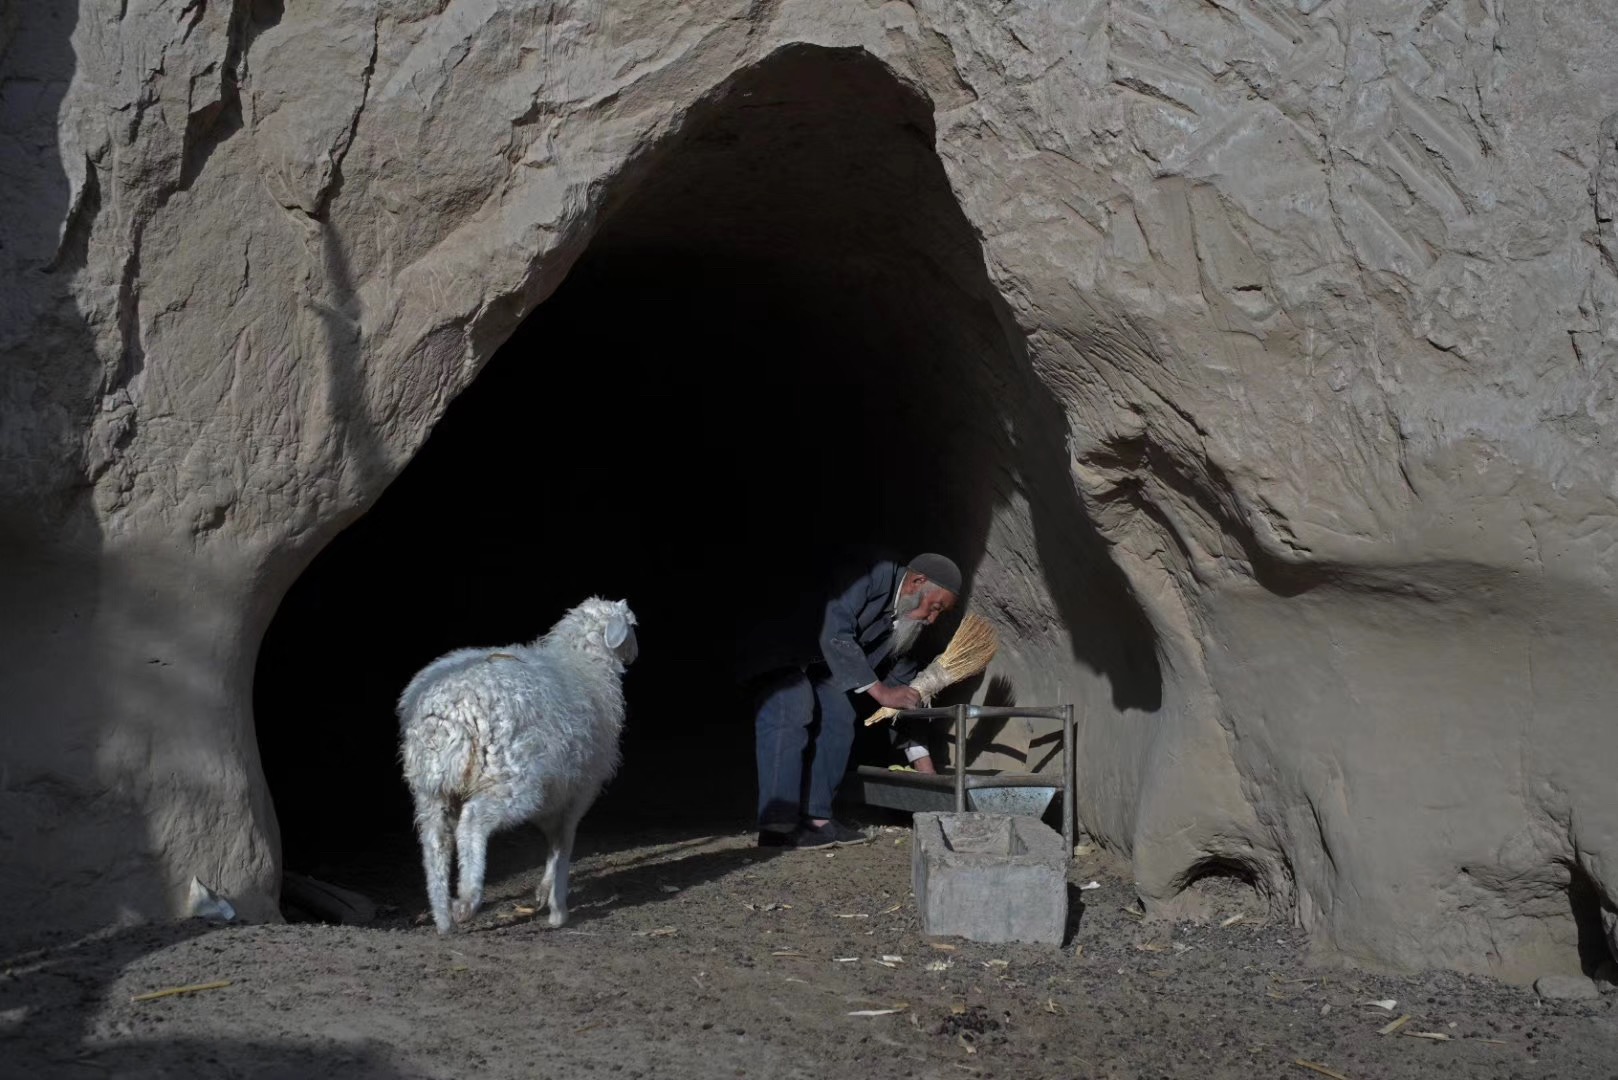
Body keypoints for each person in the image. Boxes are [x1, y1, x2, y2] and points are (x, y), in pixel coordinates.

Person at [735, 549, 961, 848]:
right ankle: (778, 824)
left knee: (841, 714)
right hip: (783, 647)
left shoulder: (904, 632)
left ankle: (817, 818)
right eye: (934, 607)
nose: (932, 619)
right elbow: (835, 629)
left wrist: (927, 773)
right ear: (917, 582)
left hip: (824, 666)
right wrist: (880, 691)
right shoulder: (871, 573)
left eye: (939, 614)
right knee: (793, 702)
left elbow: (903, 696)